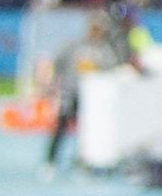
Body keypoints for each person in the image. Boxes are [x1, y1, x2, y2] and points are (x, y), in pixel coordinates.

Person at [42, 12, 127, 177]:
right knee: (61, 126)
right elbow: (57, 64)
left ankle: (83, 161)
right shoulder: (74, 46)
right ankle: (50, 161)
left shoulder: (104, 49)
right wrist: (53, 84)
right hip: (71, 92)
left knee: (88, 131)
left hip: (93, 98)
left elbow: (111, 70)